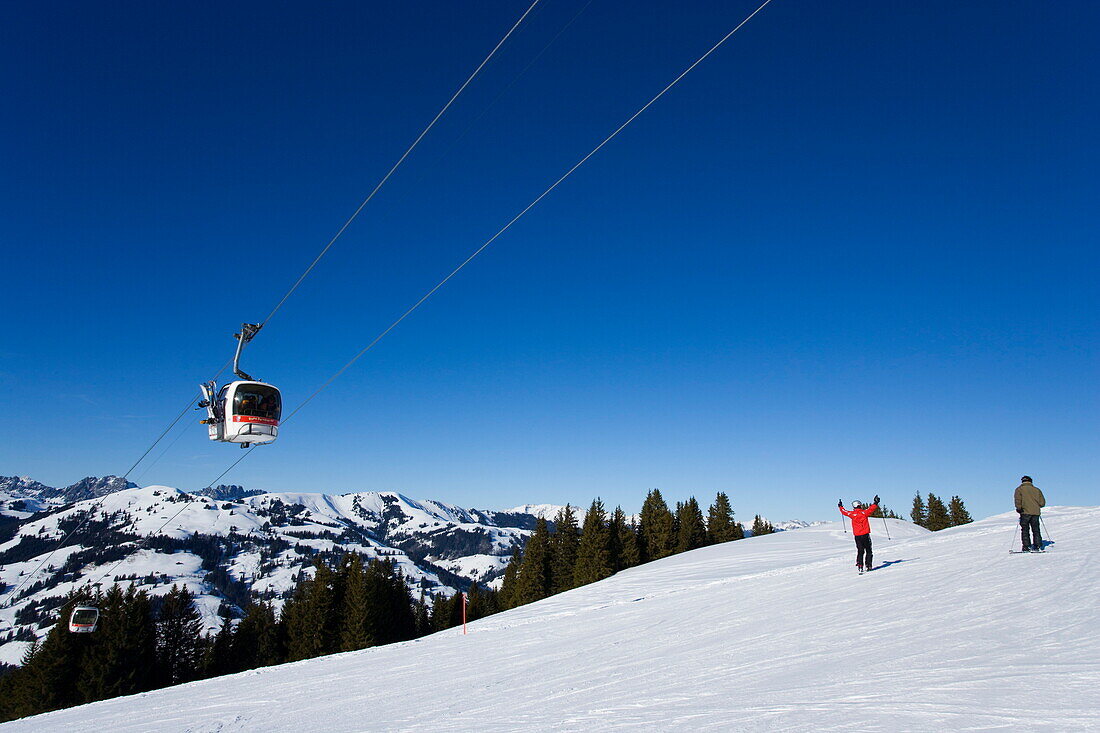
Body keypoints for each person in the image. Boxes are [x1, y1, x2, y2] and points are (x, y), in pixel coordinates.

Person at [839, 495, 880, 573]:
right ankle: (868, 565)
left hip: (857, 536)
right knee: (868, 550)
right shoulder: (864, 512)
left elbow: (844, 512)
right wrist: (876, 502)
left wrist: (840, 506)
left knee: (860, 551)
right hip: (865, 534)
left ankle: (860, 566)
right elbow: (871, 509)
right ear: (860, 505)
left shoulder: (852, 514)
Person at [1014, 476, 1046, 552]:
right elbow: (1042, 503)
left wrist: (1019, 508)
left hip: (1025, 512)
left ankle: (1026, 547)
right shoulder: (1037, 490)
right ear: (1031, 481)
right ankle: (1037, 546)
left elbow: (1018, 500)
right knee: (1036, 530)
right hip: (1035, 513)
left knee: (1025, 530)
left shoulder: (1019, 489)